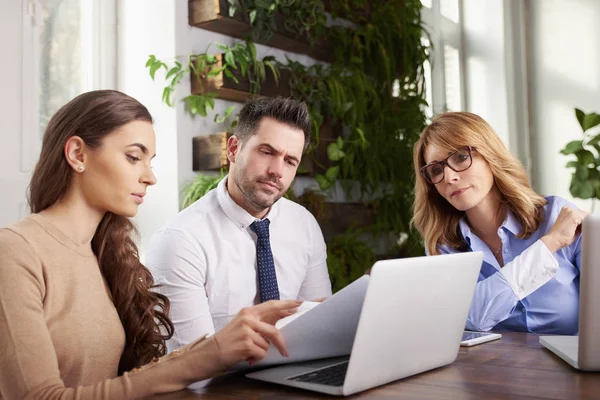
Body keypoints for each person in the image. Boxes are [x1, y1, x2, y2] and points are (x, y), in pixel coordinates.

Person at [0, 90, 302, 399]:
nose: (150, 177)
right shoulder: (15, 251)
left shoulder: (107, 254)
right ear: (78, 154)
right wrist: (209, 354)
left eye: (150, 161)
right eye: (133, 157)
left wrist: (220, 347)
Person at [146, 97, 332, 352]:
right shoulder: (180, 240)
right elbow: (189, 364)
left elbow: (321, 329)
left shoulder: (303, 224)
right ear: (233, 149)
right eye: (267, 152)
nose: (277, 170)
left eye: (290, 161)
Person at [411, 111, 587, 335]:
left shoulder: (557, 217)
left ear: (489, 154)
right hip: (492, 368)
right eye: (436, 170)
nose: (449, 177)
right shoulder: (442, 246)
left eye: (460, 157)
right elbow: (473, 319)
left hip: (571, 367)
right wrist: (548, 245)